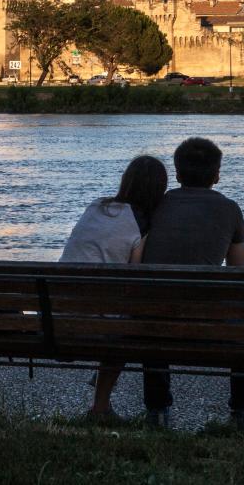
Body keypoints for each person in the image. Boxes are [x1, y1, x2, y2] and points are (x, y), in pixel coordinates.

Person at [141, 136, 244, 427]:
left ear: (178, 174)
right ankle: (243, 413)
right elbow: (237, 273)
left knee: (154, 304)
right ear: (217, 175)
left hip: (151, 324)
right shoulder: (230, 210)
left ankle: (157, 411)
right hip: (207, 324)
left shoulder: (155, 205)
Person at [60, 155, 168, 418]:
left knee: (113, 316)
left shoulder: (96, 206)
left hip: (55, 314)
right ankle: (100, 406)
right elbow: (134, 278)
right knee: (129, 322)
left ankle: (102, 404)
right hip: (94, 323)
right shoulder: (141, 224)